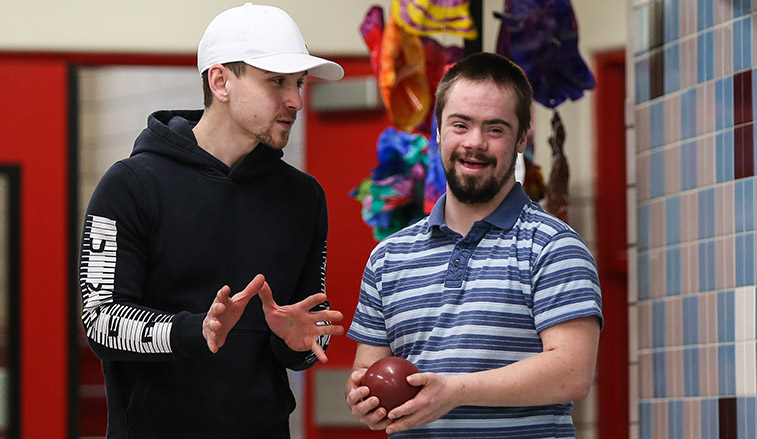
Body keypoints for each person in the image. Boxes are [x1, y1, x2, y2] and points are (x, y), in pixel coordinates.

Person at [78, 4, 345, 438]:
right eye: (276, 81)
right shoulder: (129, 185)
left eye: (298, 83)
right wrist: (193, 329)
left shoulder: (304, 197)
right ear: (220, 81)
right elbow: (100, 322)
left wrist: (296, 342)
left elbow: (312, 337)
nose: (295, 99)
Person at [345, 52, 603, 438]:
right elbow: (367, 373)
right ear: (438, 130)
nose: (475, 143)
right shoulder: (389, 257)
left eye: (495, 129)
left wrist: (455, 391)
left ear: (521, 139)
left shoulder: (554, 247)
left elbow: (571, 374)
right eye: (460, 125)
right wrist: (363, 399)